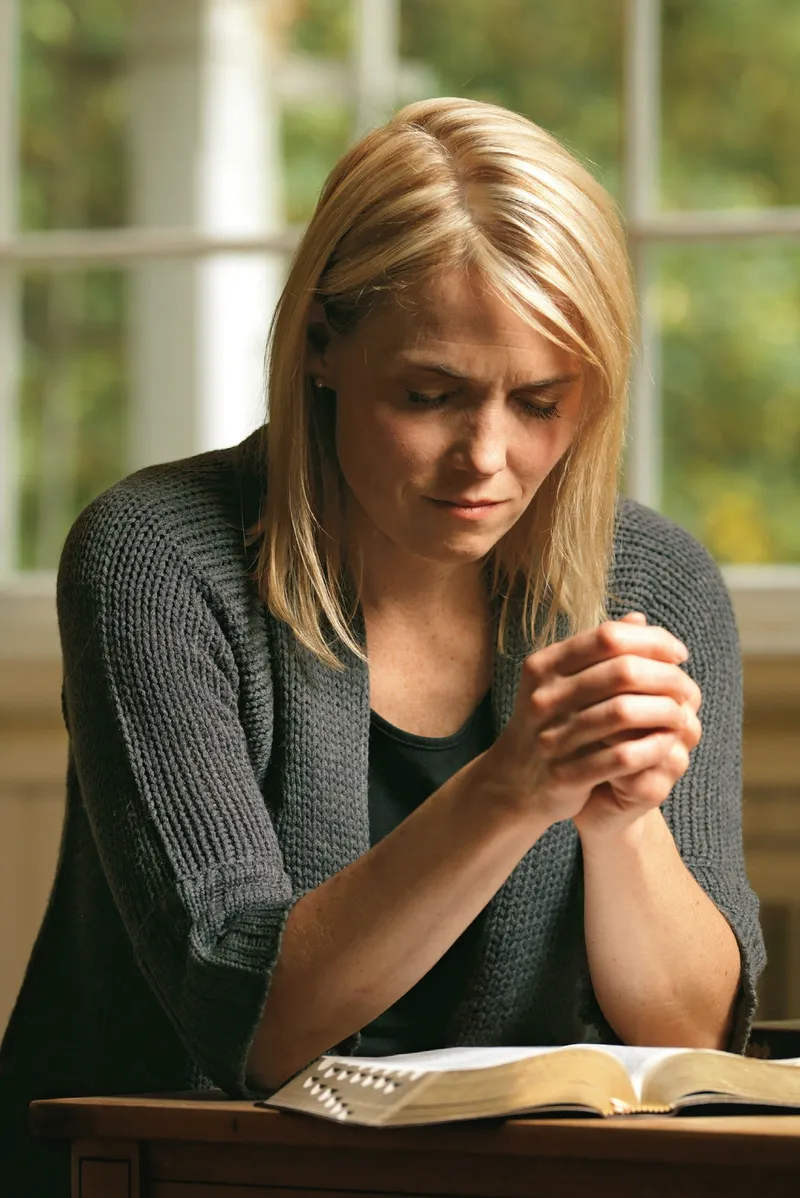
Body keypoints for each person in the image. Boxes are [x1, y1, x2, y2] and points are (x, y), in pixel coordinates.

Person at [0, 97, 765, 1193]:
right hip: (171, 1173)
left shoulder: (651, 581)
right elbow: (251, 1021)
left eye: (540, 402)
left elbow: (695, 1041)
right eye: (428, 394)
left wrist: (621, 825)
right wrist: (510, 788)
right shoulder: (157, 558)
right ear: (320, 343)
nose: (485, 457)